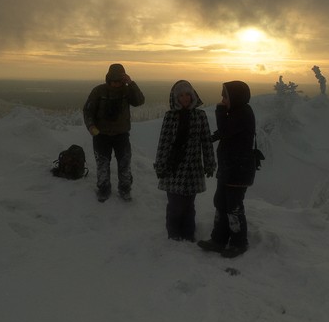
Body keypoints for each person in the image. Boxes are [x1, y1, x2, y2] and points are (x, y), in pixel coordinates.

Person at [197, 80, 256, 258]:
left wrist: (220, 110)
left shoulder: (243, 113)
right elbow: (226, 133)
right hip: (229, 168)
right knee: (221, 202)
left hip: (238, 170)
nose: (222, 99)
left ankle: (239, 242)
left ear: (235, 97)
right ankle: (219, 239)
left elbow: (225, 130)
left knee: (233, 206)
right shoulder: (237, 112)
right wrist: (210, 138)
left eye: (225, 96)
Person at [154, 80, 216, 241]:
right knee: (175, 206)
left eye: (187, 94)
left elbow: (206, 142)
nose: (185, 98)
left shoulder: (200, 116)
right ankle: (173, 234)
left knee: (189, 206)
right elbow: (164, 142)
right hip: (173, 168)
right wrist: (160, 165)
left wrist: (209, 163)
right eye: (180, 95)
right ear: (175, 98)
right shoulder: (170, 117)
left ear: (192, 95)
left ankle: (188, 234)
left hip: (193, 169)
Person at [83, 63, 145, 202]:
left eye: (119, 81)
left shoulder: (127, 91)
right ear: (109, 79)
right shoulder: (98, 91)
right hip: (101, 135)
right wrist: (91, 127)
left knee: (124, 163)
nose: (116, 84)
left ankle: (125, 189)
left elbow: (140, 101)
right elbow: (88, 110)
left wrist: (131, 83)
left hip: (121, 135)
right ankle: (103, 189)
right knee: (102, 164)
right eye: (113, 80)